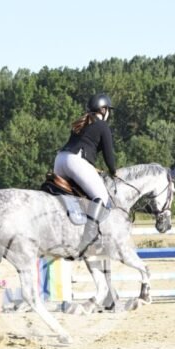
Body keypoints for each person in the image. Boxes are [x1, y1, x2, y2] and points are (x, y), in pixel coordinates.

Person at [53, 93, 116, 249]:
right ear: (103, 110)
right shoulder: (102, 126)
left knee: (70, 196)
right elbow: (109, 156)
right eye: (108, 110)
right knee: (102, 196)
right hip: (75, 162)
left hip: (60, 159)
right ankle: (89, 238)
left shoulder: (82, 123)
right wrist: (114, 172)